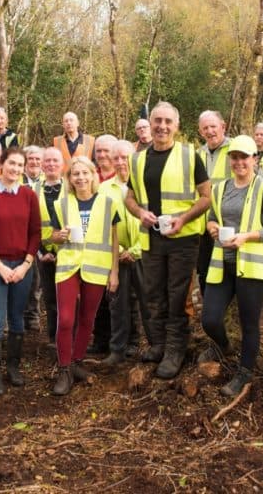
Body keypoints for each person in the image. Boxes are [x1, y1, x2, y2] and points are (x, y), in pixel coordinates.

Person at [124, 102, 211, 379]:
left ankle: (176, 349)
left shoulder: (189, 155)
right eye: (157, 120)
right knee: (153, 294)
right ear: (149, 124)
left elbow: (207, 197)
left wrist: (183, 219)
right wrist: (140, 213)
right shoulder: (137, 159)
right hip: (151, 239)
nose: (162, 126)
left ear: (176, 125)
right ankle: (159, 344)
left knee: (177, 296)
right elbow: (129, 197)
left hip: (182, 240)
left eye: (167, 121)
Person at [203, 135, 263, 395]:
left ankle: (244, 374)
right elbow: (212, 217)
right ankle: (224, 346)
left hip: (251, 265)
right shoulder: (221, 188)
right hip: (222, 264)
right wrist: (212, 227)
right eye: (234, 157)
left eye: (244, 157)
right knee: (210, 319)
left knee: (249, 323)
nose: (239, 162)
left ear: (254, 160)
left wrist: (246, 237)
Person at [48, 156, 120, 395]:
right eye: (75, 174)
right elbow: (53, 236)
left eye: (84, 173)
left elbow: (114, 238)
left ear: (93, 175)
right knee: (66, 318)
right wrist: (57, 237)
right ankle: (64, 369)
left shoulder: (108, 202)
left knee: (88, 318)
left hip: (97, 267)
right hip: (69, 266)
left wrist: (114, 272)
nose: (80, 178)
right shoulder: (62, 203)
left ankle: (77, 362)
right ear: (70, 179)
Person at [0, 148, 42, 395]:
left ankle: (13, 368)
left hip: (22, 266)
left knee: (17, 320)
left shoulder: (29, 195)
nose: (15, 168)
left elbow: (36, 232)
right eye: (11, 163)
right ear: (1, 165)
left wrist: (25, 265)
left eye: (20, 164)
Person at [101, 140, 149, 366]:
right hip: (116, 256)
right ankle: (117, 349)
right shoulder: (104, 188)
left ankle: (154, 346)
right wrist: (119, 250)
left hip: (143, 253)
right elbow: (101, 225)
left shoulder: (145, 183)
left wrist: (136, 250)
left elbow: (153, 218)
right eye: (116, 157)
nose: (120, 162)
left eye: (125, 157)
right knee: (117, 303)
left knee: (148, 302)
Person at [88, 134, 118, 354]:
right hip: (95, 247)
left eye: (106, 151)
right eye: (98, 151)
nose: (102, 155)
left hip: (118, 247)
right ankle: (99, 341)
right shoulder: (90, 177)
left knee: (118, 299)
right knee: (96, 297)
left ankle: (122, 343)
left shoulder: (122, 177)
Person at [197, 110, 232, 299]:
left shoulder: (235, 150)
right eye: (205, 128)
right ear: (200, 132)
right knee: (204, 268)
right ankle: (209, 305)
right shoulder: (197, 154)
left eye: (213, 126)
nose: (210, 131)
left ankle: (229, 310)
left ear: (223, 127)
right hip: (203, 223)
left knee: (228, 267)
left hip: (228, 221)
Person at [37, 147, 66, 345]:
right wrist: (40, 252)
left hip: (68, 253)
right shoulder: (33, 189)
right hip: (43, 254)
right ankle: (54, 338)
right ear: (41, 164)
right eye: (47, 161)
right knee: (50, 299)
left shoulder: (71, 186)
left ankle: (69, 336)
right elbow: (29, 224)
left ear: (62, 164)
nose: (51, 164)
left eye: (55, 160)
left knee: (69, 298)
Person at [22, 145, 46, 331]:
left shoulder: (49, 181)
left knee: (37, 281)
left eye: (39, 158)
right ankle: (19, 315)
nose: (35, 162)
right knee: (23, 277)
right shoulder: (18, 179)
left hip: (42, 237)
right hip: (20, 236)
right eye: (31, 158)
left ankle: (33, 316)